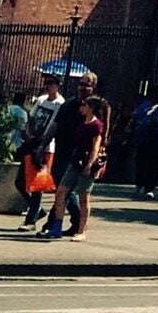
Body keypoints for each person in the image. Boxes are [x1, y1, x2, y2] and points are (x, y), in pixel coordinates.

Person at [45, 90, 107, 239]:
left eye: (85, 105)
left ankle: (81, 231)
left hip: (87, 164)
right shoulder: (81, 121)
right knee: (61, 192)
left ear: (91, 108)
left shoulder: (96, 125)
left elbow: (95, 146)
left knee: (83, 197)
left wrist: (90, 164)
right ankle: (57, 227)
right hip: (75, 161)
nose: (82, 107)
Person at [17, 88, 63, 229]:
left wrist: (43, 144)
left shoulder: (60, 103)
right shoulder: (41, 99)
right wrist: (29, 133)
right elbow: (31, 117)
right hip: (32, 143)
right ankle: (36, 210)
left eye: (51, 83)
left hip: (46, 146)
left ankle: (30, 220)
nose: (48, 86)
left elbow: (55, 125)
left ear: (58, 85)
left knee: (37, 184)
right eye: (46, 82)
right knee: (20, 182)